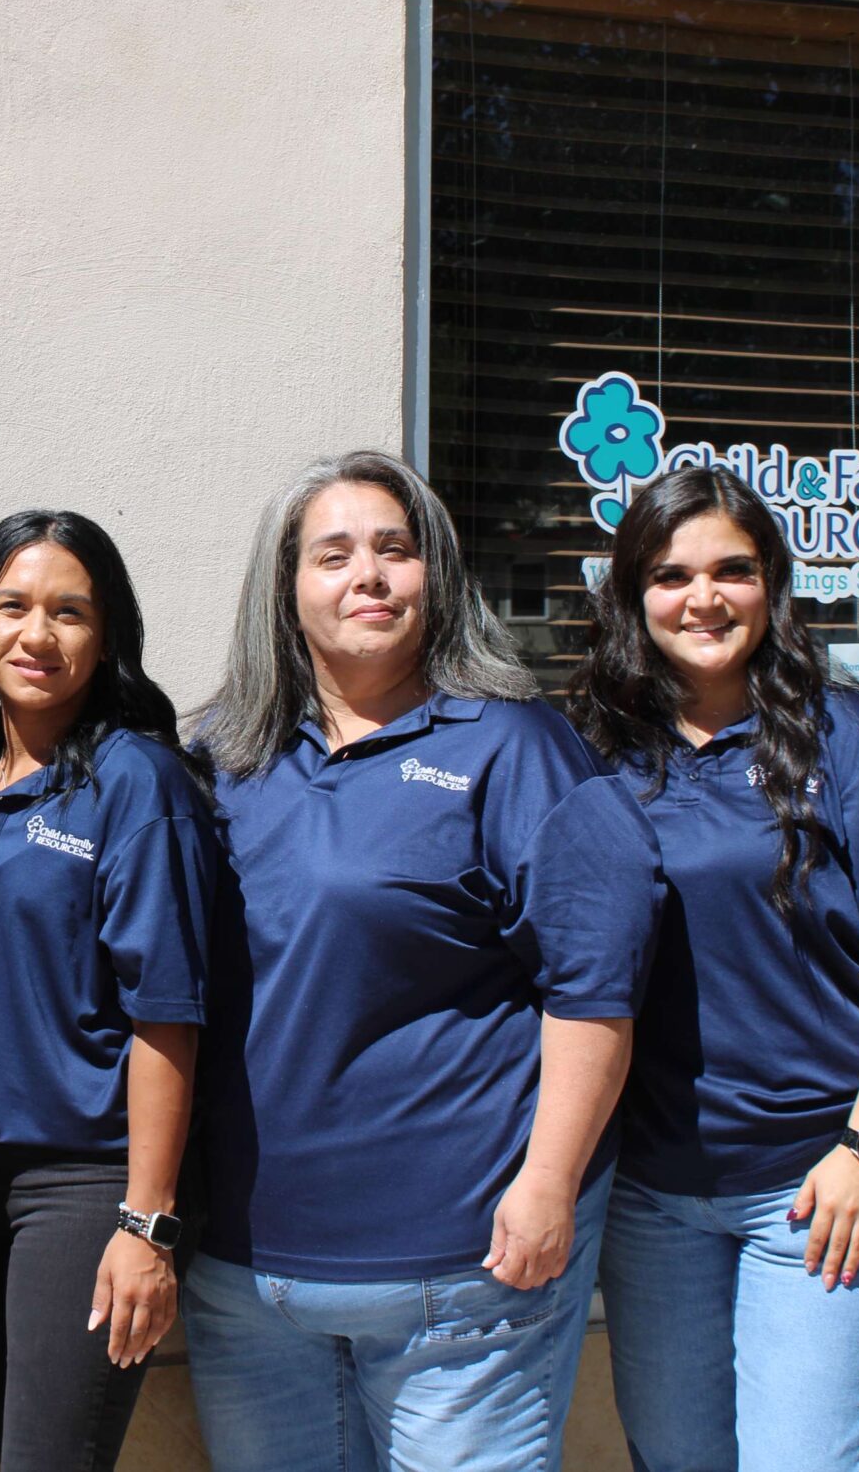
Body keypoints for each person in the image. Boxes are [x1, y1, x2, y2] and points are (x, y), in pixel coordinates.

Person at [181, 449, 662, 1472]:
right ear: (284, 587)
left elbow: (593, 989)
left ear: (435, 575)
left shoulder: (513, 748)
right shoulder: (218, 760)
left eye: (395, 550)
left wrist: (548, 1181)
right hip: (247, 1281)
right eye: (334, 553)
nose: (369, 575)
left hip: (465, 1277)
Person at [569, 465, 859, 1472]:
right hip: (656, 1191)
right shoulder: (593, 748)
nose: (702, 596)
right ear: (632, 595)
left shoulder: (847, 734)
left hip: (821, 1178)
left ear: (771, 584)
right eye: (670, 573)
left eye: (731, 569)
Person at [0, 510, 214, 1469]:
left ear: (108, 636)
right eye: (11, 606)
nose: (36, 635)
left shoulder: (139, 781)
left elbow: (166, 1013)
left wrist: (146, 1221)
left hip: (86, 1183)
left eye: (69, 612)